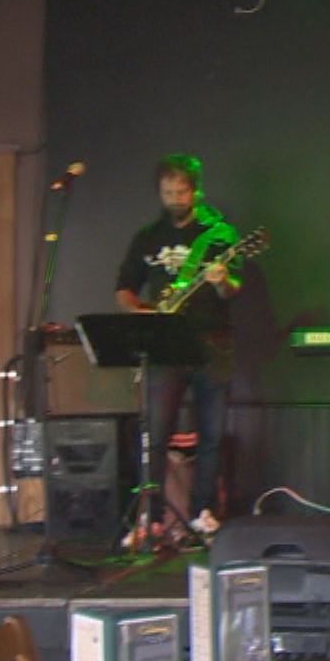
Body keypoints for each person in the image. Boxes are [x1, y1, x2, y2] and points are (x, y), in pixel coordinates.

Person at [114, 153, 242, 542]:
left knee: (211, 434)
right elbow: (124, 288)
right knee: (154, 433)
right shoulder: (148, 236)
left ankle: (203, 512)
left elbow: (232, 290)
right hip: (165, 342)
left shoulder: (217, 235)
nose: (174, 199)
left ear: (195, 191)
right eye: (167, 192)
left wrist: (220, 281)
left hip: (211, 343)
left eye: (181, 191)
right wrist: (141, 312)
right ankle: (150, 518)